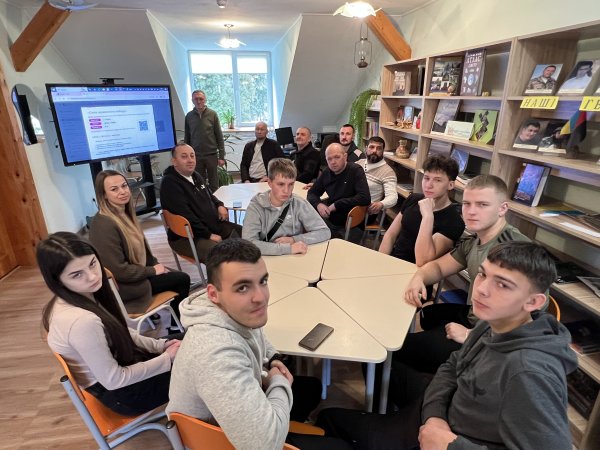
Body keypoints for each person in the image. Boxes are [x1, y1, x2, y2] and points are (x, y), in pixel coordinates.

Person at [317, 241, 577, 450]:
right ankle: (390, 424)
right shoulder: (494, 322)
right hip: (441, 414)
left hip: (446, 437)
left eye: (502, 284)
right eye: (483, 274)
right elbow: (453, 366)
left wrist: (452, 445)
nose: (481, 289)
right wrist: (435, 418)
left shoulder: (529, 372)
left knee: (328, 418)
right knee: (382, 362)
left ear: (533, 302)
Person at [166, 239, 351, 450]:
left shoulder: (230, 310)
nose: (261, 297)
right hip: (224, 441)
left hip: (234, 419)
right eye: (243, 287)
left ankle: (285, 425)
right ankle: (283, 428)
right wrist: (278, 382)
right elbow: (265, 445)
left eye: (263, 281)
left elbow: (256, 334)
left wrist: (273, 359)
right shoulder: (215, 354)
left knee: (311, 389)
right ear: (213, 294)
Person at [398, 175, 531, 376]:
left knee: (395, 352)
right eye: (467, 204)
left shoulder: (517, 250)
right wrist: (419, 278)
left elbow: (530, 319)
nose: (471, 211)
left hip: (489, 339)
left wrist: (471, 335)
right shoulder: (475, 241)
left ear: (502, 208)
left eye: (482, 204)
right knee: (427, 315)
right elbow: (439, 267)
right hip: (474, 316)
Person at [39, 232, 182, 416]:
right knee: (200, 360)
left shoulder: (77, 296)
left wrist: (161, 345)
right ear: (57, 280)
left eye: (92, 263)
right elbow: (114, 380)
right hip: (124, 395)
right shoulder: (80, 321)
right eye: (77, 274)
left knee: (194, 339)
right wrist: (166, 358)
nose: (92, 276)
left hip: (123, 370)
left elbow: (122, 333)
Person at [89, 170, 190, 327]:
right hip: (125, 287)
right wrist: (153, 270)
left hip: (135, 276)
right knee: (182, 279)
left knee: (172, 274)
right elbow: (119, 271)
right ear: (104, 195)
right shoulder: (104, 225)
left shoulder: (124, 213)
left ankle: (172, 321)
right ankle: (175, 328)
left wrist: (156, 265)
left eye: (124, 186)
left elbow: (145, 253)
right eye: (114, 189)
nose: (122, 191)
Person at [160, 142, 242, 264]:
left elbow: (209, 195)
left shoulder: (195, 176)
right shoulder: (170, 184)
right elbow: (187, 217)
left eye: (192, 156)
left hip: (211, 226)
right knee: (219, 255)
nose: (190, 160)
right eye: (184, 156)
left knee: (246, 233)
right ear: (174, 161)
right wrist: (208, 235)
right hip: (188, 237)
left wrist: (219, 205)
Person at [379, 155, 464, 267]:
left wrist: (428, 216)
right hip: (393, 262)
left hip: (418, 272)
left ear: (450, 185)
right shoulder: (413, 198)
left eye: (437, 180)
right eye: (426, 178)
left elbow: (423, 261)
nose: (429, 185)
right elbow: (390, 235)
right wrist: (381, 262)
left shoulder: (454, 221)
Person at [242, 158, 330, 255]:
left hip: (294, 258)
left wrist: (294, 239)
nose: (286, 190)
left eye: (291, 184)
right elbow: (248, 244)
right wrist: (288, 249)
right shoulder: (256, 206)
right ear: (269, 183)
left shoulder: (299, 203)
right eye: (281, 184)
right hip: (267, 259)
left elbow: (324, 232)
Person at [307, 143, 370, 240]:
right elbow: (312, 193)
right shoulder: (327, 172)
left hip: (352, 225)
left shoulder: (355, 170)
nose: (333, 162)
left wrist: (337, 204)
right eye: (329, 159)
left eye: (337, 157)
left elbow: (365, 198)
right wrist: (318, 204)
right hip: (330, 220)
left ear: (345, 156)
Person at [184, 90, 225, 192]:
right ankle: (203, 201)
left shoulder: (213, 114)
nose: (198, 101)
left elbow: (219, 136)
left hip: (211, 155)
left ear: (205, 100)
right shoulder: (189, 116)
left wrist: (221, 156)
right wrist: (187, 156)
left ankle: (215, 201)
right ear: (192, 100)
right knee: (199, 183)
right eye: (196, 99)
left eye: (201, 99)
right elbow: (187, 137)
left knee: (214, 184)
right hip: (196, 156)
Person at [359, 136, 398, 217]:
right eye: (371, 147)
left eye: (379, 148)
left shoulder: (388, 172)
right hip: (350, 204)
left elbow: (393, 197)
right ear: (366, 148)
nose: (374, 151)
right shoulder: (359, 163)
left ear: (383, 151)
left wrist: (381, 204)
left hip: (365, 214)